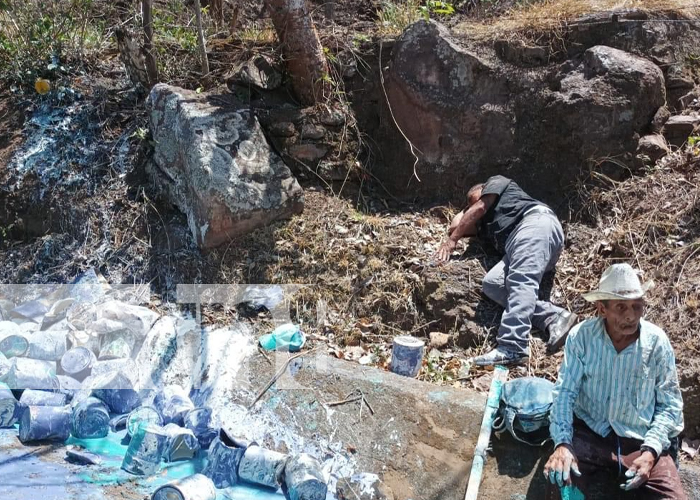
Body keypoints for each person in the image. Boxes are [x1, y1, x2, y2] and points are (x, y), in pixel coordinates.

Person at [544, 263, 686, 500]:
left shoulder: (657, 343)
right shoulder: (582, 337)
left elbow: (670, 406)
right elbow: (564, 394)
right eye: (621, 307)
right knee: (560, 481)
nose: (630, 315)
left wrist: (651, 451)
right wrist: (562, 443)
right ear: (602, 309)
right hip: (590, 432)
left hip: (639, 439)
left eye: (636, 306)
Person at [434, 175, 577, 366]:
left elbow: (479, 208)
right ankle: (553, 316)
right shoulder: (486, 223)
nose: (473, 206)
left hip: (535, 224)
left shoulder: (498, 183)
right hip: (520, 247)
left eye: (474, 198)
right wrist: (467, 211)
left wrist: (452, 241)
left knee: (520, 280)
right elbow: (455, 225)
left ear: (484, 189)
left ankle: (513, 346)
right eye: (468, 206)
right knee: (493, 284)